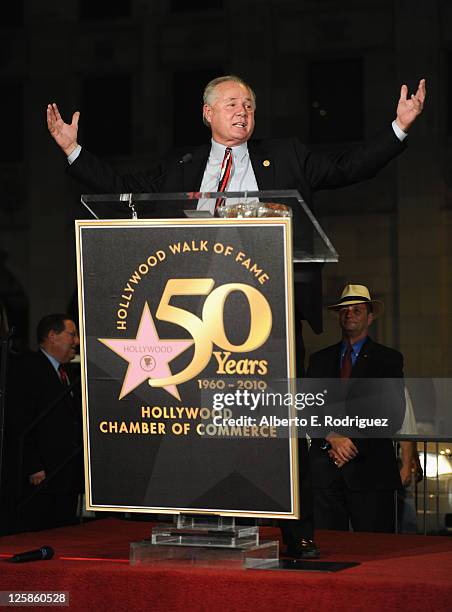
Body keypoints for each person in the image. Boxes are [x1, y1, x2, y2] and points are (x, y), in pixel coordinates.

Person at [46, 75, 425, 555]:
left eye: (249, 103)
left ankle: (296, 531)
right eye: (231, 103)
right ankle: (199, 514)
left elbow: (349, 167)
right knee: (203, 423)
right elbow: (125, 191)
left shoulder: (286, 155)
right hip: (196, 314)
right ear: (208, 114)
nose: (242, 111)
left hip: (267, 317)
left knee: (282, 424)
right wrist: (74, 151)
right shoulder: (182, 165)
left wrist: (399, 127)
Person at [308, 284, 405, 532]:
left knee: (376, 552)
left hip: (370, 470)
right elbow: (307, 409)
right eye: (345, 310)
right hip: (325, 472)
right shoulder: (319, 360)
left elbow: (392, 415)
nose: (350, 314)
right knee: (328, 551)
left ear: (370, 317)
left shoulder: (388, 360)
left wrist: (351, 445)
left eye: (357, 310)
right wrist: (332, 438)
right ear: (339, 316)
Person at [19, 314, 83, 531]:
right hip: (43, 477)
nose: (76, 341)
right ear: (52, 336)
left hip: (66, 474)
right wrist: (34, 466)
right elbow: (21, 420)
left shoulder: (66, 373)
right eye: (71, 335)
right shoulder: (30, 369)